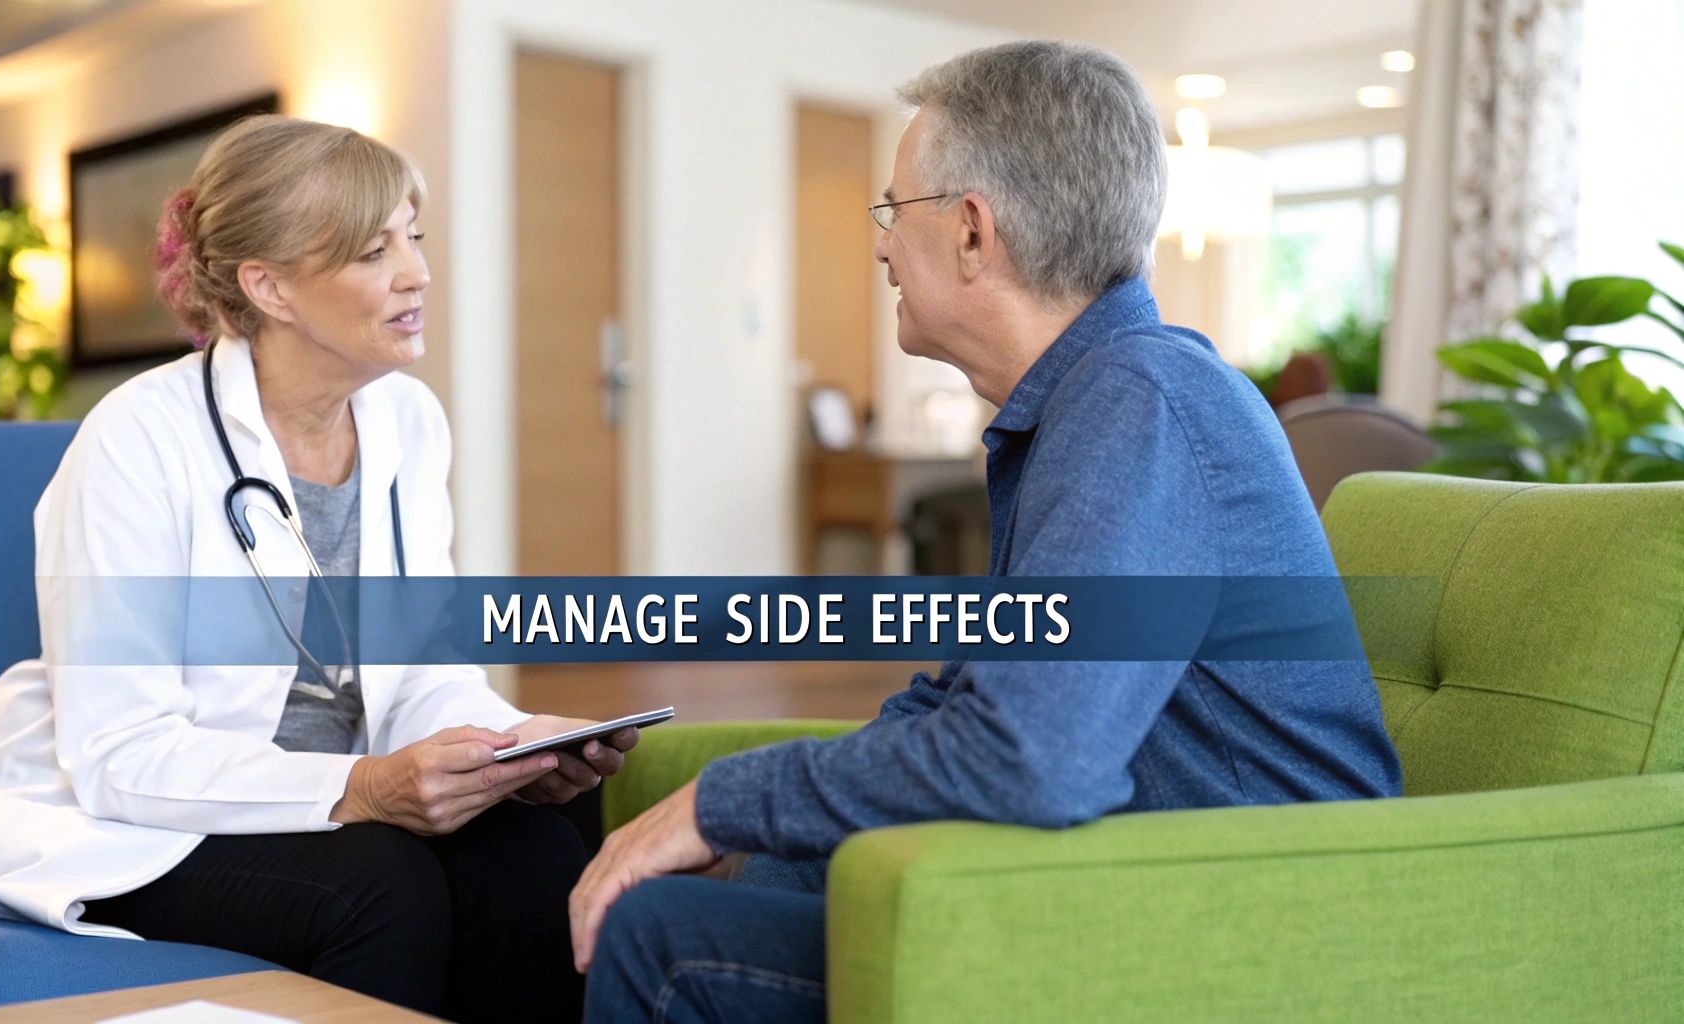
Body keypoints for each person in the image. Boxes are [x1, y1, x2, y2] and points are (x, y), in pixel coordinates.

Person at [570, 41, 1404, 1023]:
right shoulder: (1090, 401)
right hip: (1137, 880)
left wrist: (723, 800)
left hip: (1241, 930)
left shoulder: (1139, 403)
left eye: (893, 211)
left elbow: (1028, 756)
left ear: (971, 232)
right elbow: (962, 701)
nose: (880, 245)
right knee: (737, 891)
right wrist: (767, 836)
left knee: (664, 944)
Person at [0, 115, 627, 1023]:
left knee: (537, 842)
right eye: (375, 252)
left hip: (318, 802)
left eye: (414, 238)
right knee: (384, 884)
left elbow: (419, 670)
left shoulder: (407, 422)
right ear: (271, 288)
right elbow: (119, 754)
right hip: (137, 819)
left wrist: (505, 747)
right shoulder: (137, 440)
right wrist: (361, 787)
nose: (416, 273)